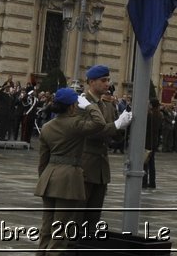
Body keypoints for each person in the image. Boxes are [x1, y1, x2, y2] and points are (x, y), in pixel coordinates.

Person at [35, 87, 112, 254]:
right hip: (68, 179)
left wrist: (44, 180)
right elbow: (100, 123)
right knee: (61, 230)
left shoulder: (47, 127)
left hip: (49, 178)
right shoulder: (75, 124)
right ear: (71, 107)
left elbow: (43, 160)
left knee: (47, 228)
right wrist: (90, 106)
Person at [75, 64, 130, 234]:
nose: (107, 84)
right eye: (103, 80)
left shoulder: (106, 105)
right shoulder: (82, 104)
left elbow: (113, 134)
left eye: (108, 80)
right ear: (91, 82)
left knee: (93, 219)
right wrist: (116, 125)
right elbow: (92, 132)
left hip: (101, 169)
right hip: (85, 166)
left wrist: (125, 126)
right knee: (78, 218)